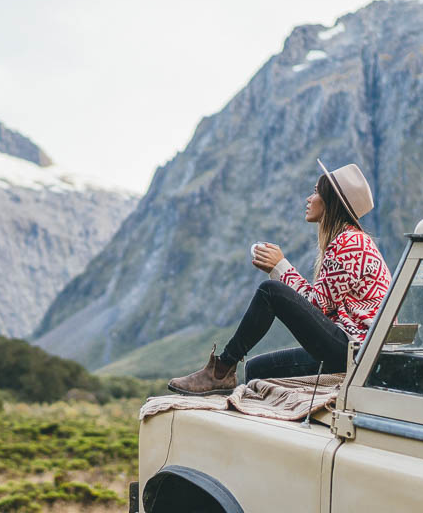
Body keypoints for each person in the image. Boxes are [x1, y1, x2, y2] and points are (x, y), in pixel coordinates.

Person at [167, 160, 391, 394]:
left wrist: (280, 268)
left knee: (271, 291)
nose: (308, 199)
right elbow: (322, 306)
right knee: (256, 368)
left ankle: (221, 369)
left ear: (331, 200)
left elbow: (317, 307)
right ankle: (235, 389)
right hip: (351, 347)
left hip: (356, 350)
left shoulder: (350, 243)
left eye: (315, 192)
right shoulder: (351, 241)